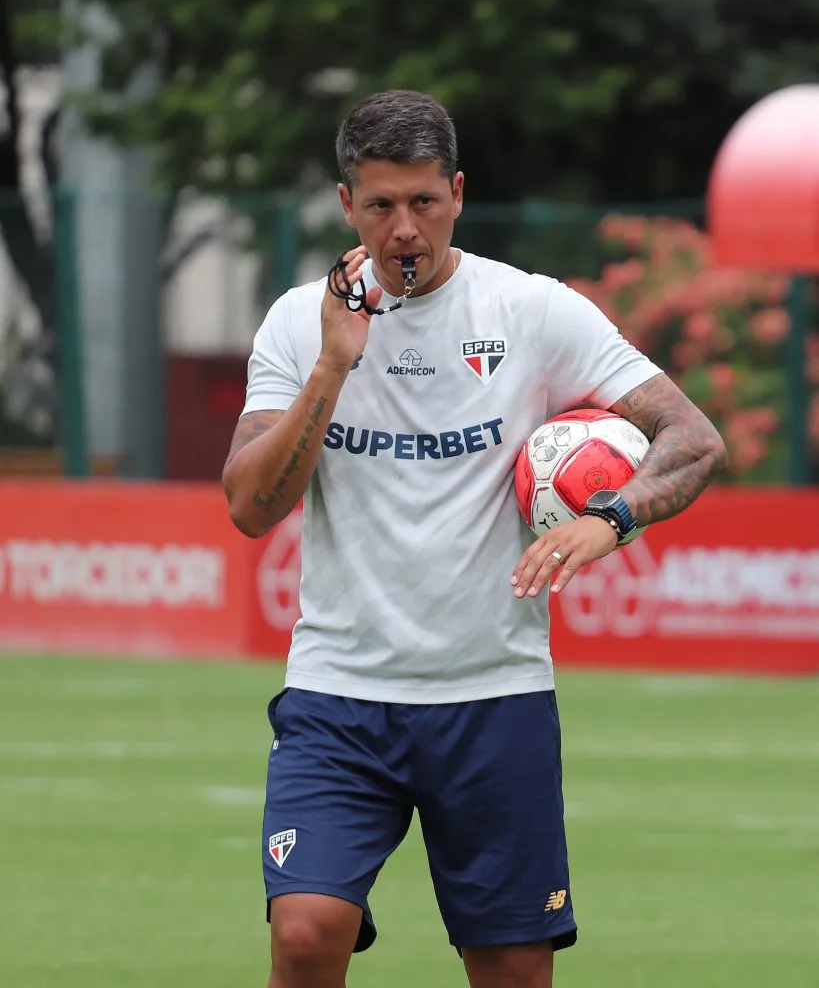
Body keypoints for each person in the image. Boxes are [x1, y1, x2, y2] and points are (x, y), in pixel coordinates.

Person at [222, 89, 727, 988]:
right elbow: (250, 507)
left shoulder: (531, 311)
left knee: (512, 969)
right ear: (347, 206)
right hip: (340, 695)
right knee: (304, 933)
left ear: (456, 192)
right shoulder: (301, 323)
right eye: (380, 205)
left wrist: (606, 519)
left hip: (492, 696)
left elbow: (694, 439)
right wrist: (336, 364)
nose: (403, 228)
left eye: (423, 201)